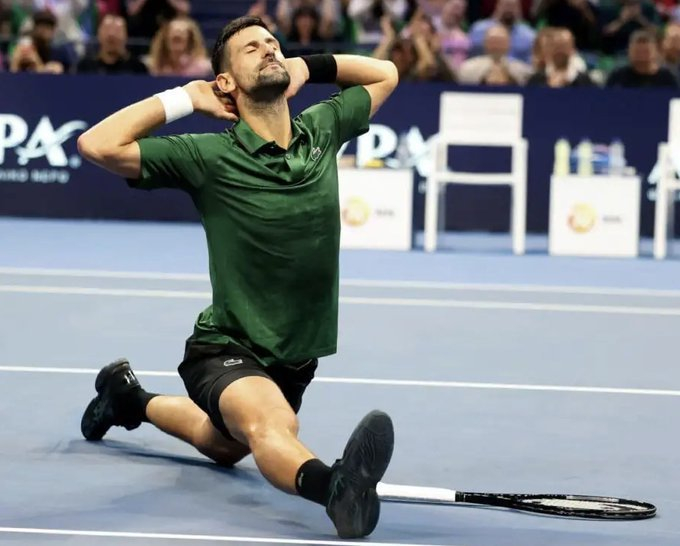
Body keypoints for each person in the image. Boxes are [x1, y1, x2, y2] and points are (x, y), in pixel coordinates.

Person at [77, 15, 398, 539]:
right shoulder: (208, 155)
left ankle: (128, 398)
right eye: (252, 49)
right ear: (224, 82)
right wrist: (186, 98)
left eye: (273, 43)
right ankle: (334, 489)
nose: (269, 50)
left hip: (293, 357)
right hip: (227, 345)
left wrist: (307, 66)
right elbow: (98, 145)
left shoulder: (322, 128)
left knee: (223, 444)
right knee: (273, 426)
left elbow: (385, 72)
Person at [77, 14, 148, 74]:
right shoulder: (85, 67)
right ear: (99, 34)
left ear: (126, 36)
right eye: (107, 29)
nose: (112, 34)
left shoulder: (137, 68)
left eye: (117, 30)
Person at [606, 28, 678, 87]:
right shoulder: (618, 77)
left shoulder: (668, 78)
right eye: (637, 52)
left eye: (646, 52)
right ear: (629, 52)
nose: (642, 57)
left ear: (655, 52)